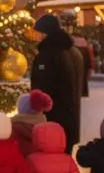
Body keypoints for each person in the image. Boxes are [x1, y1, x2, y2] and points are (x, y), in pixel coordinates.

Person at [30, 13, 85, 153]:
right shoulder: (74, 52)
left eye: (37, 33)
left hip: (53, 121)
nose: (35, 37)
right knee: (64, 162)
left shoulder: (47, 55)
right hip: (70, 121)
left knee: (51, 165)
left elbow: (42, 90)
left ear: (45, 34)